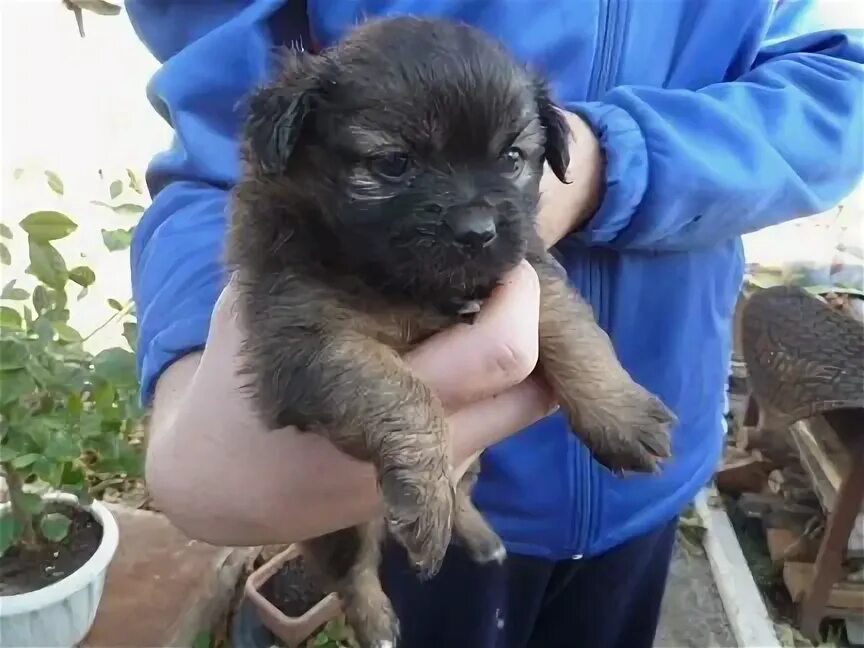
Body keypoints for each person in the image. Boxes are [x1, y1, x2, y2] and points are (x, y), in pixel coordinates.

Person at [125, 1, 864, 646]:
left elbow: (838, 78)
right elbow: (212, 144)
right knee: (373, 551)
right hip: (365, 489)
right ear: (294, 142)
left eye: (512, 159)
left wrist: (612, 166)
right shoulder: (302, 241)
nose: (479, 218)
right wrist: (189, 366)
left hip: (649, 485)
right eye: (392, 165)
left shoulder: (517, 209)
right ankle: (359, 593)